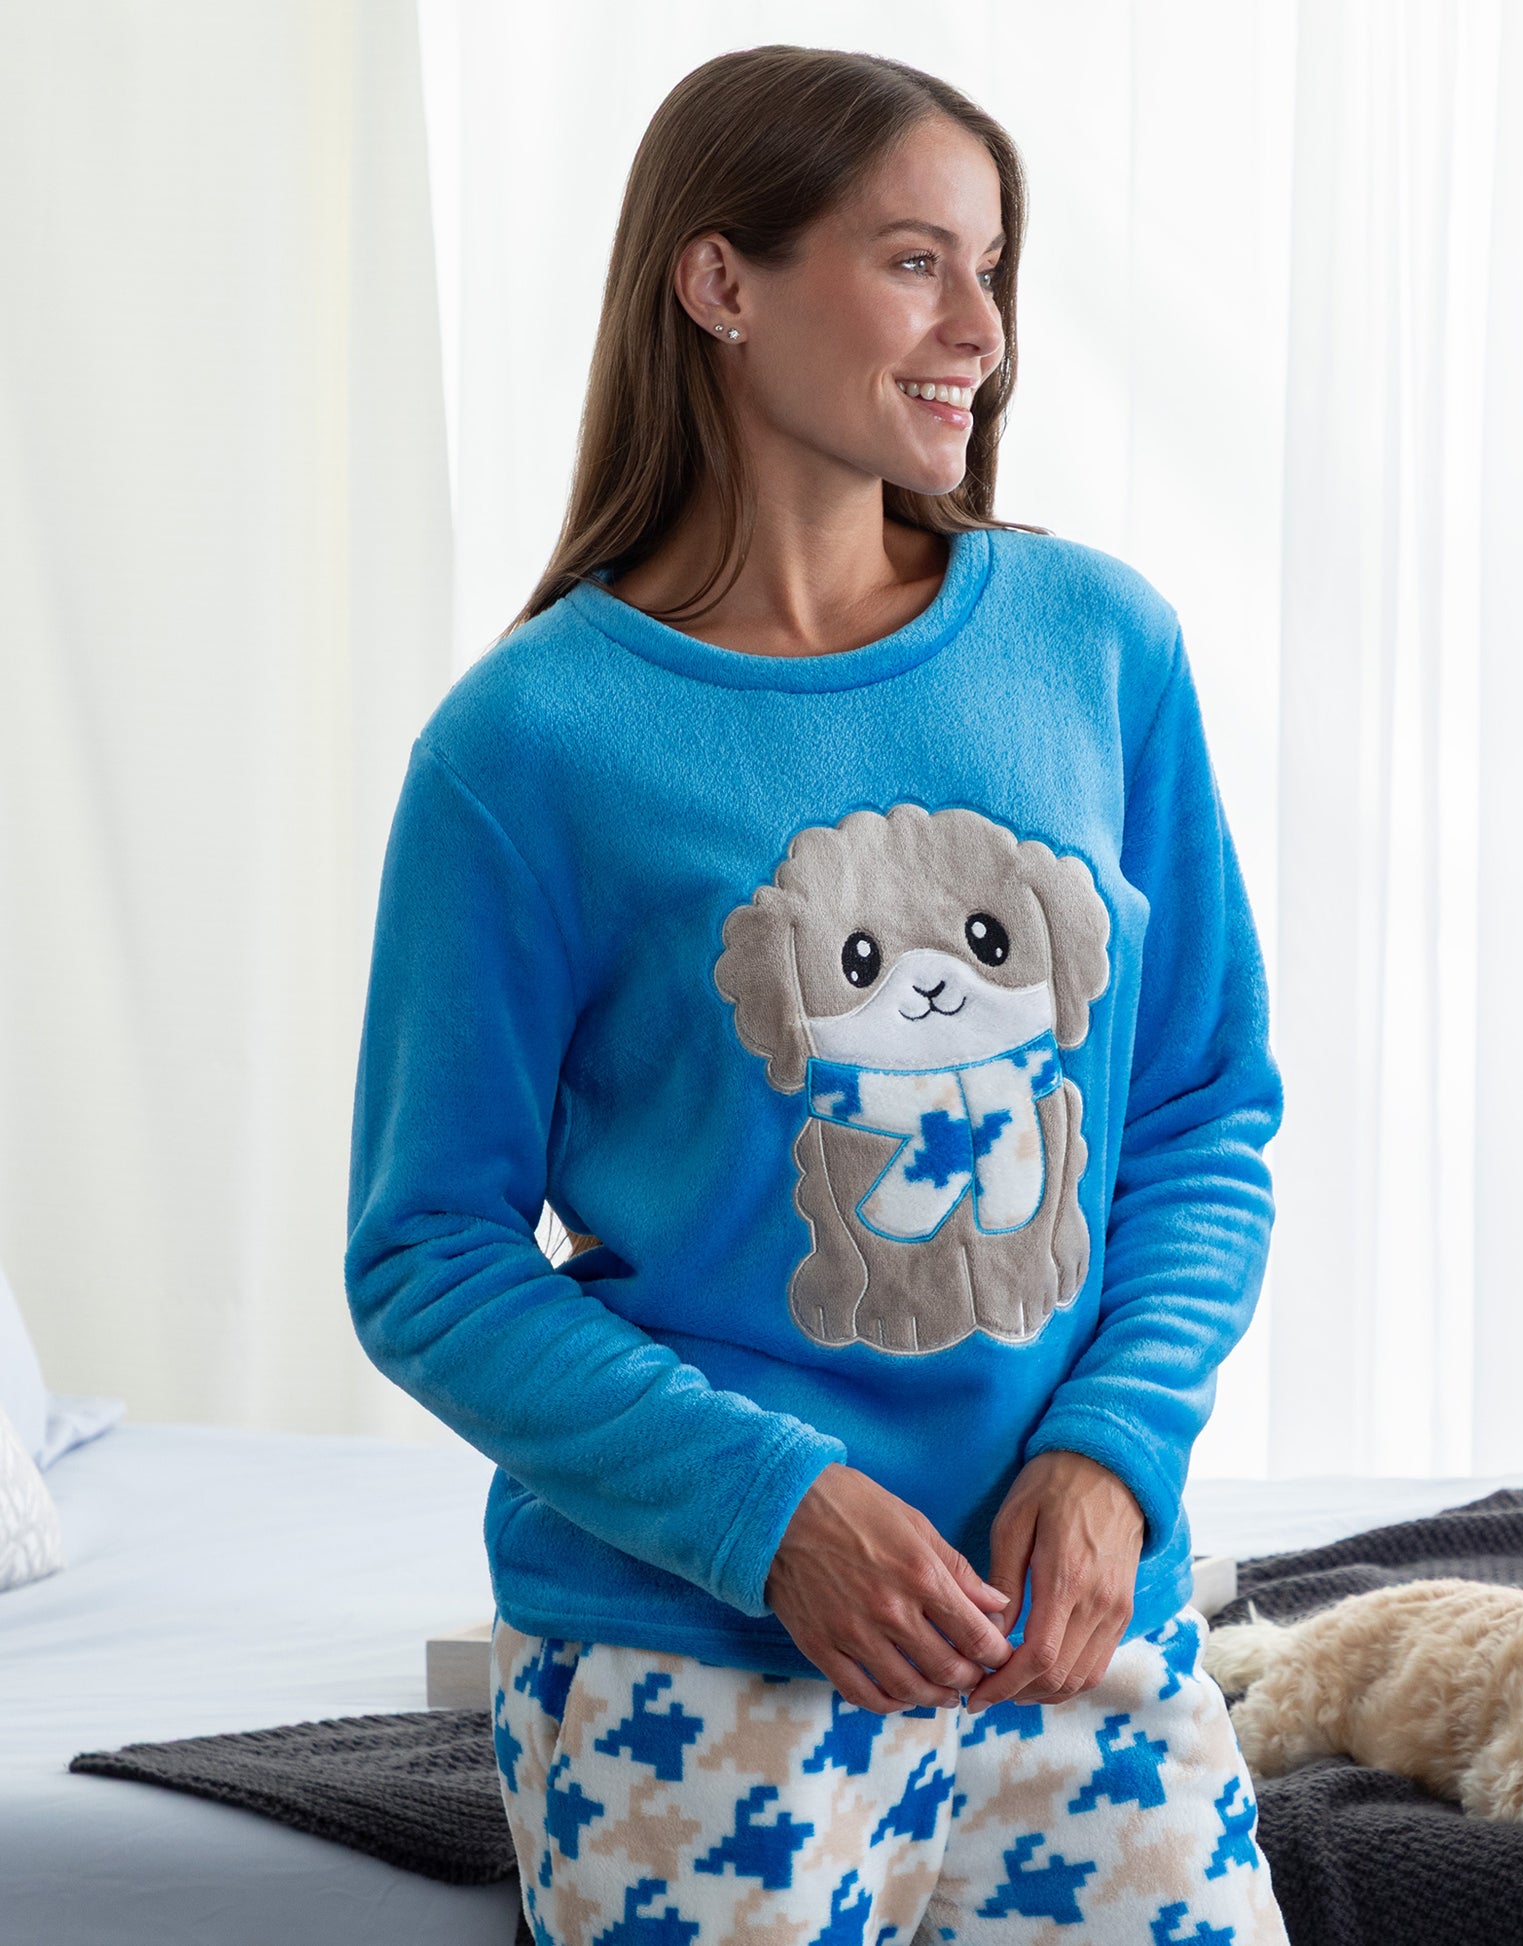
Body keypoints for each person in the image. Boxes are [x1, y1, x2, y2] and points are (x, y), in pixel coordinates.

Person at [345, 42, 1288, 1946]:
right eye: (917, 263)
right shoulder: (527, 746)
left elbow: (1196, 1115)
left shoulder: (1096, 646)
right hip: (693, 1669)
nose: (981, 334)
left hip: (1076, 1639)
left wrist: (1116, 1454)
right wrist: (775, 1509)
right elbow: (429, 1253)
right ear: (720, 283)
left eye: (993, 270)